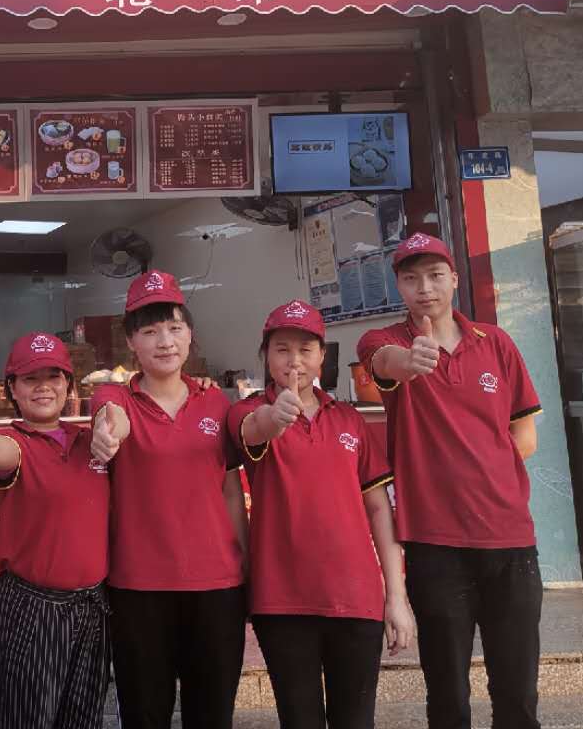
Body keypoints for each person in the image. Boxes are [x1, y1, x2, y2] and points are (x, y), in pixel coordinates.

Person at [356, 234, 543, 729]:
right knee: (447, 693)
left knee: (518, 691)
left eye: (435, 276)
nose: (425, 288)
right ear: (398, 286)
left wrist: (483, 471)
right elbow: (383, 363)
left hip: (509, 540)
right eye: (411, 278)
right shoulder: (385, 341)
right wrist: (411, 361)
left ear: (455, 279)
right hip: (435, 544)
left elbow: (525, 435)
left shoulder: (496, 343)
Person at [232, 298, 416, 729]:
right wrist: (277, 416)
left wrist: (396, 596)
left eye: (305, 349)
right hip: (282, 602)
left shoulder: (350, 420)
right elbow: (255, 429)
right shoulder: (247, 411)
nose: (294, 360)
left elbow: (379, 509)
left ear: (322, 357)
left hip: (357, 599)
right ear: (265, 356)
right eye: (282, 349)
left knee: (356, 721)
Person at [89, 270, 248, 729]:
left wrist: (247, 566)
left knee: (212, 715)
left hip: (216, 586)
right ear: (131, 342)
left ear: (190, 334)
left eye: (174, 328)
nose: (165, 341)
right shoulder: (116, 396)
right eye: (150, 331)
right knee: (144, 714)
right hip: (139, 588)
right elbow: (109, 417)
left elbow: (231, 492)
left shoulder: (216, 403)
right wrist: (108, 432)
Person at [0, 332, 112, 729]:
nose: (44, 387)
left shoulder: (91, 442)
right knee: (26, 719)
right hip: (32, 609)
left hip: (92, 607)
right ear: (12, 388)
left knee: (84, 719)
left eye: (53, 376)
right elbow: (2, 456)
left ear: (69, 384)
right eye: (31, 379)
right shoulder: (15, 442)